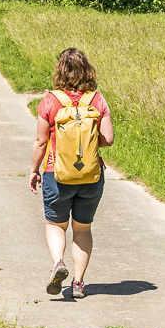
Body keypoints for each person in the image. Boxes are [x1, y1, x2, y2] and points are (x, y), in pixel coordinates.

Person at [28, 47, 114, 299]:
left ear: (59, 71)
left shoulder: (50, 101)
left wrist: (34, 170)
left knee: (55, 223)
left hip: (57, 175)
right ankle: (78, 283)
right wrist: (86, 141)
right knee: (82, 228)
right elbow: (107, 139)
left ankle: (58, 264)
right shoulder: (97, 100)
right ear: (87, 70)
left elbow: (41, 142)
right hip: (91, 177)